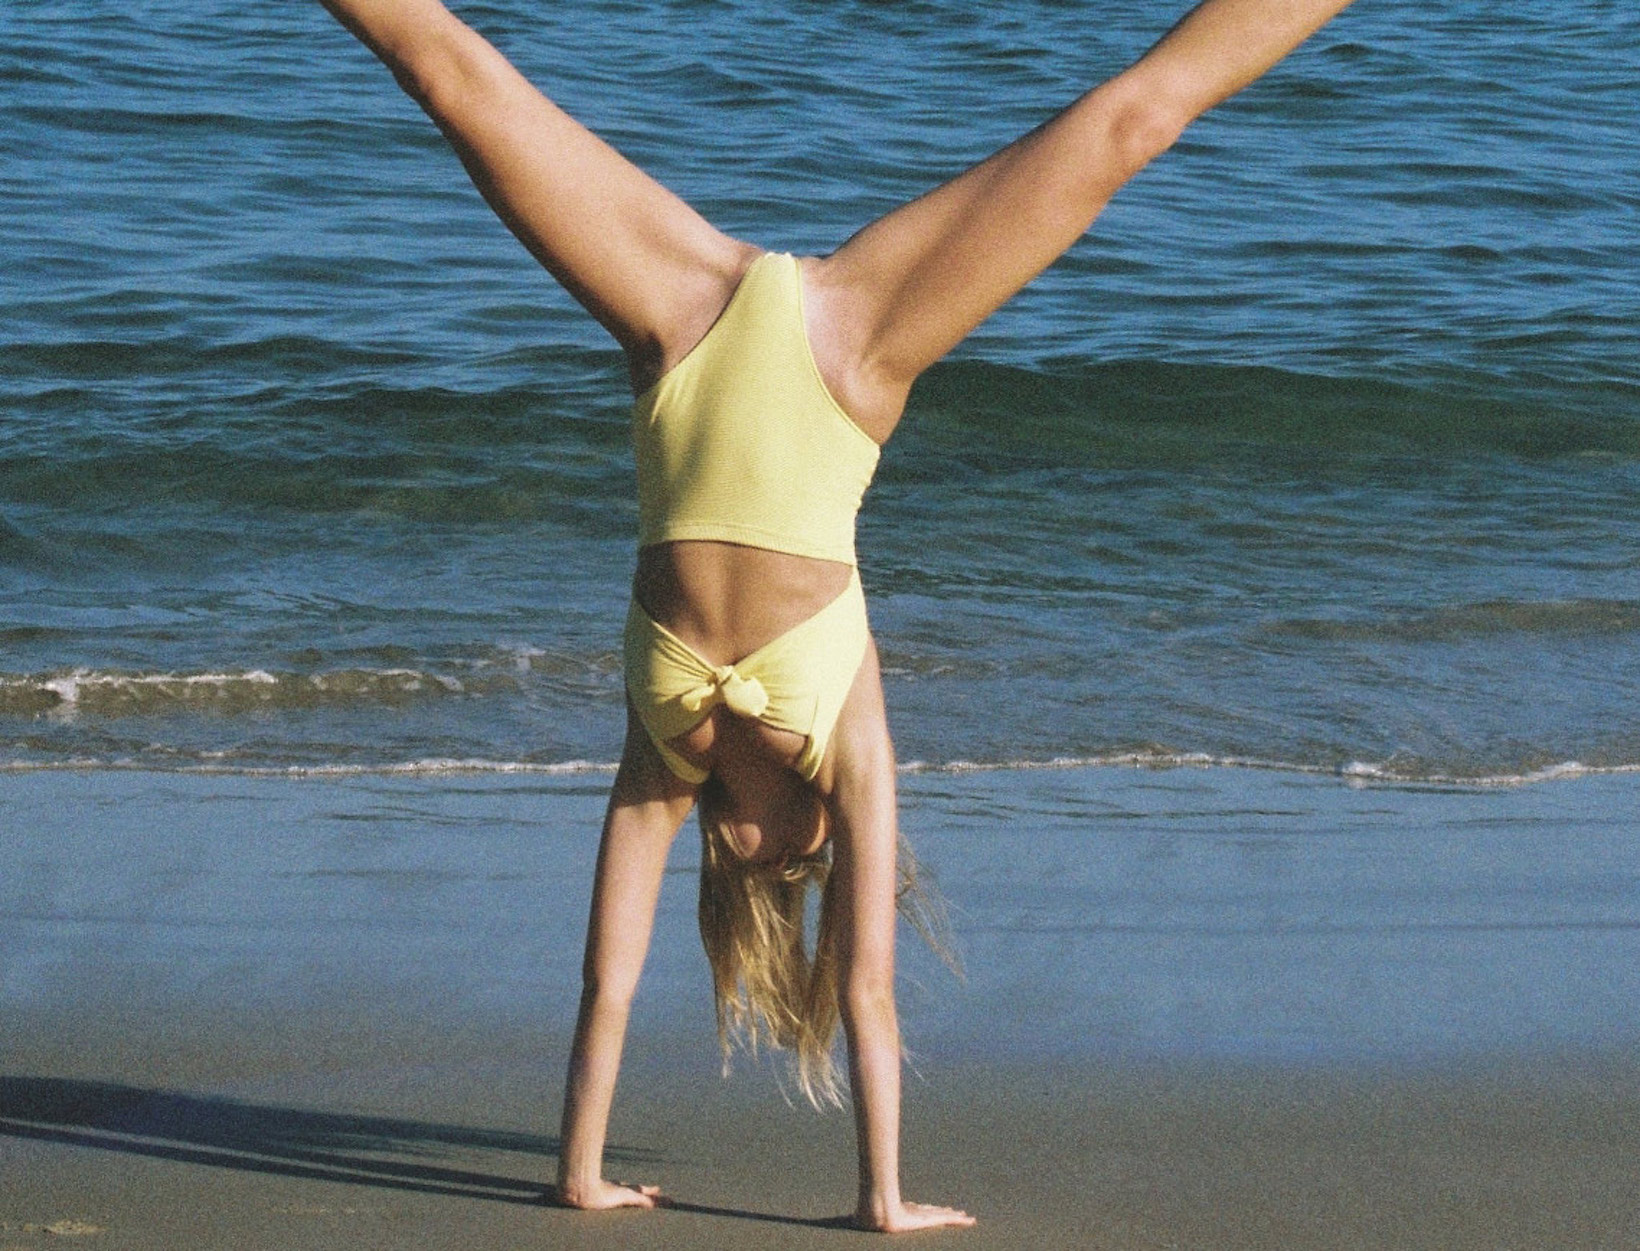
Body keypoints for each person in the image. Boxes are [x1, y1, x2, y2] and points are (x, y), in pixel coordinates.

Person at [318, 0, 1356, 1231]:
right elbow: (866, 993)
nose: (776, 853)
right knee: (1127, 124)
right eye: (799, 863)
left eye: (762, 865)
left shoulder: (667, 768)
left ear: (739, 855)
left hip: (686, 329)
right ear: (813, 844)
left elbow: (607, 979)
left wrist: (580, 1176)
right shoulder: (845, 754)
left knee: (449, 77)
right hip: (847, 357)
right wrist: (883, 1200)